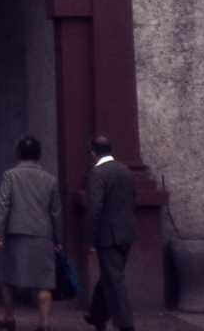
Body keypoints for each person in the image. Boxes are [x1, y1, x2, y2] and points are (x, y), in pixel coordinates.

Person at [0, 135, 63, 331]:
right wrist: (58, 238)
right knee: (44, 281)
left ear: (19, 153)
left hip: (16, 233)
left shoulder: (10, 176)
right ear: (39, 155)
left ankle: (9, 317)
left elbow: (4, 204)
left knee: (9, 278)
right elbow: (55, 212)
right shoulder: (50, 180)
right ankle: (44, 323)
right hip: (42, 234)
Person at [82, 134, 138, 331]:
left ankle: (125, 325)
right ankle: (97, 314)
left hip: (108, 236)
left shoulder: (97, 174)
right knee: (111, 275)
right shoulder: (126, 171)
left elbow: (94, 209)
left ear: (93, 153)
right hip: (127, 232)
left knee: (114, 281)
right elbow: (132, 200)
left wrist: (90, 239)